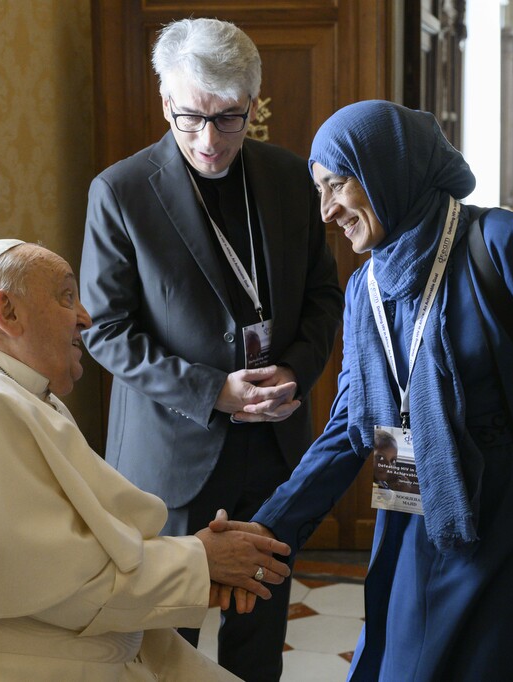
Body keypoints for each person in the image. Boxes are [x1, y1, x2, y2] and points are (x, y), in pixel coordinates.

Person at [217, 101, 513, 680]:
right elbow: (350, 430)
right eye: (319, 190)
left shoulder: (507, 248)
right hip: (414, 518)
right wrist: (269, 528)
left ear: (385, 170)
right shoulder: (367, 286)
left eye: (337, 185)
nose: (326, 211)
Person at [0, 240, 293, 681]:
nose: (86, 317)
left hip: (21, 643)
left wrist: (199, 564)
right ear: (7, 312)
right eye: (66, 296)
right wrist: (200, 563)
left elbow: (69, 556)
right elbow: (65, 584)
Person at [79, 17, 343, 680]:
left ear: (253, 104)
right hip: (172, 456)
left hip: (274, 444)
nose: (208, 138)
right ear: (164, 98)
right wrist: (212, 391)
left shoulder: (287, 178)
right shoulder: (121, 191)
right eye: (190, 116)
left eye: (229, 118)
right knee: (166, 642)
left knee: (261, 628)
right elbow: (107, 330)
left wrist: (295, 370)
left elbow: (322, 299)